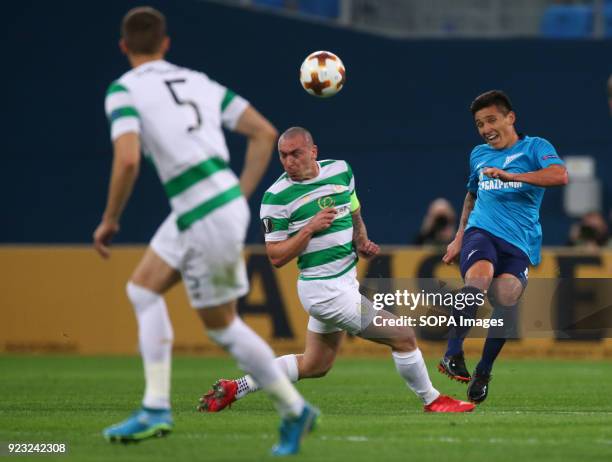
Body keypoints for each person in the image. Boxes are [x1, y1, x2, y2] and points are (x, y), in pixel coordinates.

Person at [93, 7, 317, 455]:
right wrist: (239, 195)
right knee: (143, 290)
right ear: (166, 44)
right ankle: (289, 410)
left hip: (201, 210)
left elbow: (129, 158)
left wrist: (111, 218)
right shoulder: (197, 80)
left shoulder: (123, 91)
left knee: (221, 326)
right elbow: (262, 133)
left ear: (123, 46)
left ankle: (289, 410)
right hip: (209, 207)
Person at [197, 127, 475, 414]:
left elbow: (353, 208)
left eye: (296, 154)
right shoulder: (276, 198)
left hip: (345, 284)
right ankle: (433, 400)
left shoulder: (340, 171)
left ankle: (236, 387)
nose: (289, 161)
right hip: (324, 291)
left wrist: (361, 240)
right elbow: (275, 256)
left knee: (315, 365)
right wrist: (309, 229)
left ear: (313, 151)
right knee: (402, 334)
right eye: (283, 155)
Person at [439, 90, 568, 403]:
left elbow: (560, 175)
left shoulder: (536, 147)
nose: (485, 129)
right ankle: (452, 353)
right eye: (480, 124)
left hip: (519, 241)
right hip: (481, 231)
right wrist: (459, 237)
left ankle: (484, 370)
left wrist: (512, 176)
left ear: (511, 118)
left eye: (491, 120)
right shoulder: (479, 155)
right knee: (479, 280)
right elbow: (472, 195)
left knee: (507, 297)